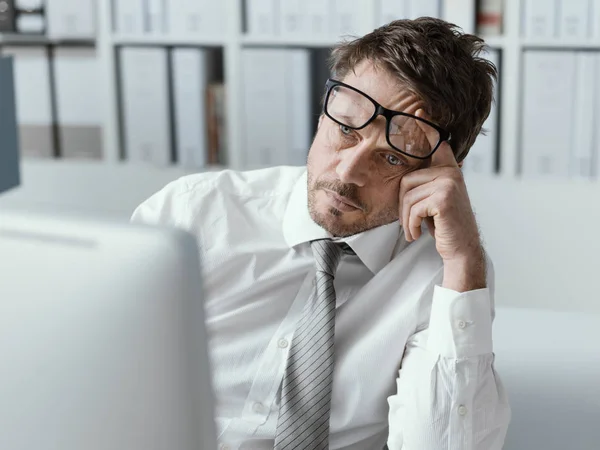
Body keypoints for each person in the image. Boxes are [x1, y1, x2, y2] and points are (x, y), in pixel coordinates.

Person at [132, 17, 511, 450]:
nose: (347, 172)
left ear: (440, 173)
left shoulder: (445, 274)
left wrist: (463, 263)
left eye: (391, 159)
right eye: (346, 129)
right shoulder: (191, 213)